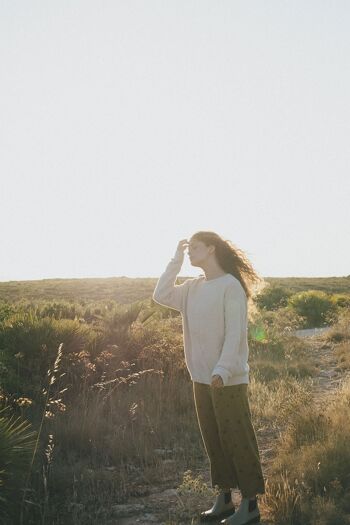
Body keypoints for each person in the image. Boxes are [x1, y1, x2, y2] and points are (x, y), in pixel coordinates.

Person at [152, 231, 265, 525]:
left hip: (227, 379)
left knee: (237, 440)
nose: (190, 252)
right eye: (188, 249)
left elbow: (235, 334)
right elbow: (161, 294)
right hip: (201, 378)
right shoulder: (192, 288)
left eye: (195, 248)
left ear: (212, 249)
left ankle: (250, 504)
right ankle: (225, 499)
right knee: (213, 440)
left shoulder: (230, 287)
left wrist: (223, 370)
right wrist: (175, 260)